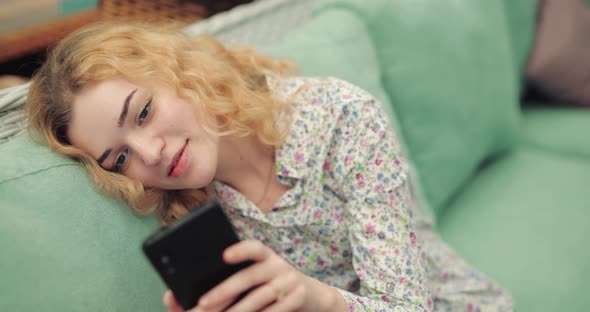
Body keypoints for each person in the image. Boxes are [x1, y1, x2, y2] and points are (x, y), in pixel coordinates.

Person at [25, 21, 513, 312]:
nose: (150, 154)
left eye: (144, 112)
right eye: (121, 158)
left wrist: (314, 297)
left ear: (178, 74)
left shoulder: (340, 119)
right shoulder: (189, 210)